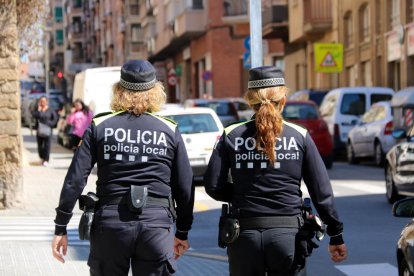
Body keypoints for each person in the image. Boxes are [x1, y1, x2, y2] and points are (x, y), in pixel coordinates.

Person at [51, 59, 195, 275]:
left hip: (110, 225)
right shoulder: (169, 129)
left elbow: (75, 179)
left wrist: (61, 226)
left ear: (119, 90)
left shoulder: (100, 126)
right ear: (155, 92)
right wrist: (182, 232)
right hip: (156, 227)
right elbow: (185, 186)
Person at [204, 66, 347, 276]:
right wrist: (336, 235)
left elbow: (213, 185)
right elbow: (321, 192)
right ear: (283, 99)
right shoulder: (300, 136)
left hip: (244, 236)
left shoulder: (231, 134)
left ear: (249, 99)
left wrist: (241, 194)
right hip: (288, 237)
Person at [31, 96, 58, 166]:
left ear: (46, 102)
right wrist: (39, 110)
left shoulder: (51, 110)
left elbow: (55, 119)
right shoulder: (38, 109)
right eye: (41, 101)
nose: (42, 102)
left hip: (48, 130)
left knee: (47, 145)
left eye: (43, 101)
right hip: (39, 130)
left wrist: (49, 124)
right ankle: (42, 158)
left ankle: (46, 160)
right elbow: (34, 115)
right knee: (40, 146)